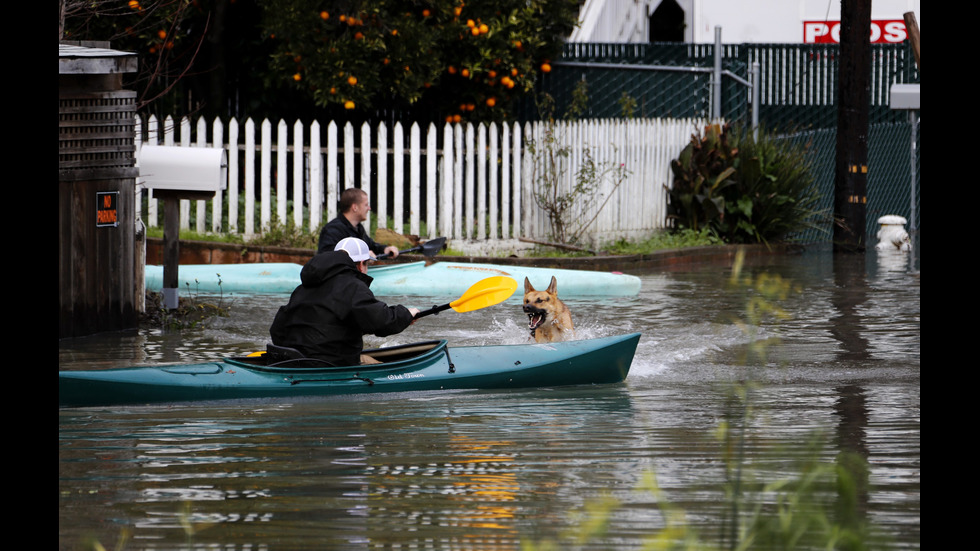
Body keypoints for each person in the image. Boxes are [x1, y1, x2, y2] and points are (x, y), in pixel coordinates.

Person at [270, 237, 420, 366]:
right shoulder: (353, 286)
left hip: (292, 361)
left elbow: (277, 329)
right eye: (367, 264)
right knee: (380, 366)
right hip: (327, 365)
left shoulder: (302, 288)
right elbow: (381, 321)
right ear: (361, 264)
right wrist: (406, 314)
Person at [317, 187, 400, 258]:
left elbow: (370, 246)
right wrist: (360, 255)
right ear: (355, 207)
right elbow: (327, 256)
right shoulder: (332, 230)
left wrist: (385, 249)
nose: (369, 208)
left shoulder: (358, 228)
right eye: (366, 205)